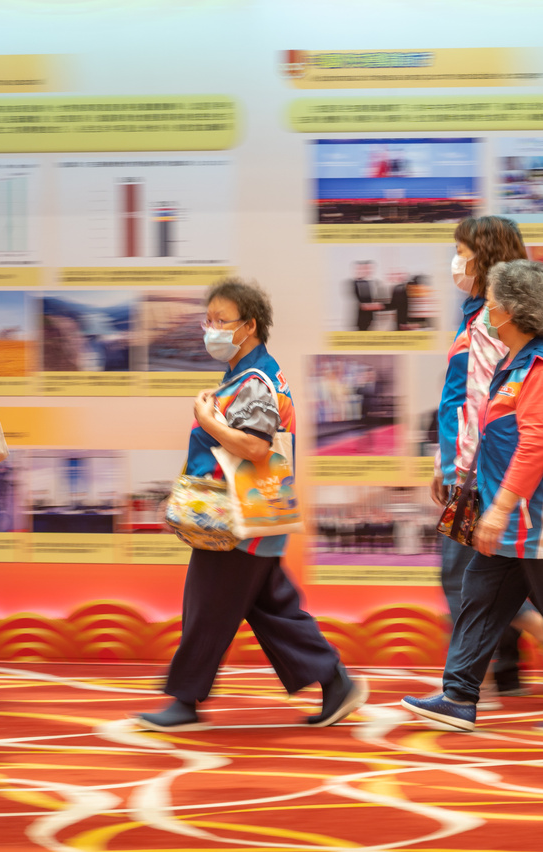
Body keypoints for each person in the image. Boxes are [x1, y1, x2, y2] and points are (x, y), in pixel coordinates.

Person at [135, 278, 366, 731]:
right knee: (273, 608)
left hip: (238, 518)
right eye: (208, 320)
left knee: (206, 607)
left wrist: (207, 421)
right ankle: (336, 683)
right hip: (256, 516)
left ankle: (184, 701)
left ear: (250, 326)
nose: (211, 329)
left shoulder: (255, 382)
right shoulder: (251, 375)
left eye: (221, 320)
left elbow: (256, 447)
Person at [404, 259, 543, 734]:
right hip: (515, 514)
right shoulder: (515, 363)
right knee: (480, 594)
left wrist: (498, 510)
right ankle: (459, 695)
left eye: (493, 302)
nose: (486, 310)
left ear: (514, 311)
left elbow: (534, 448)